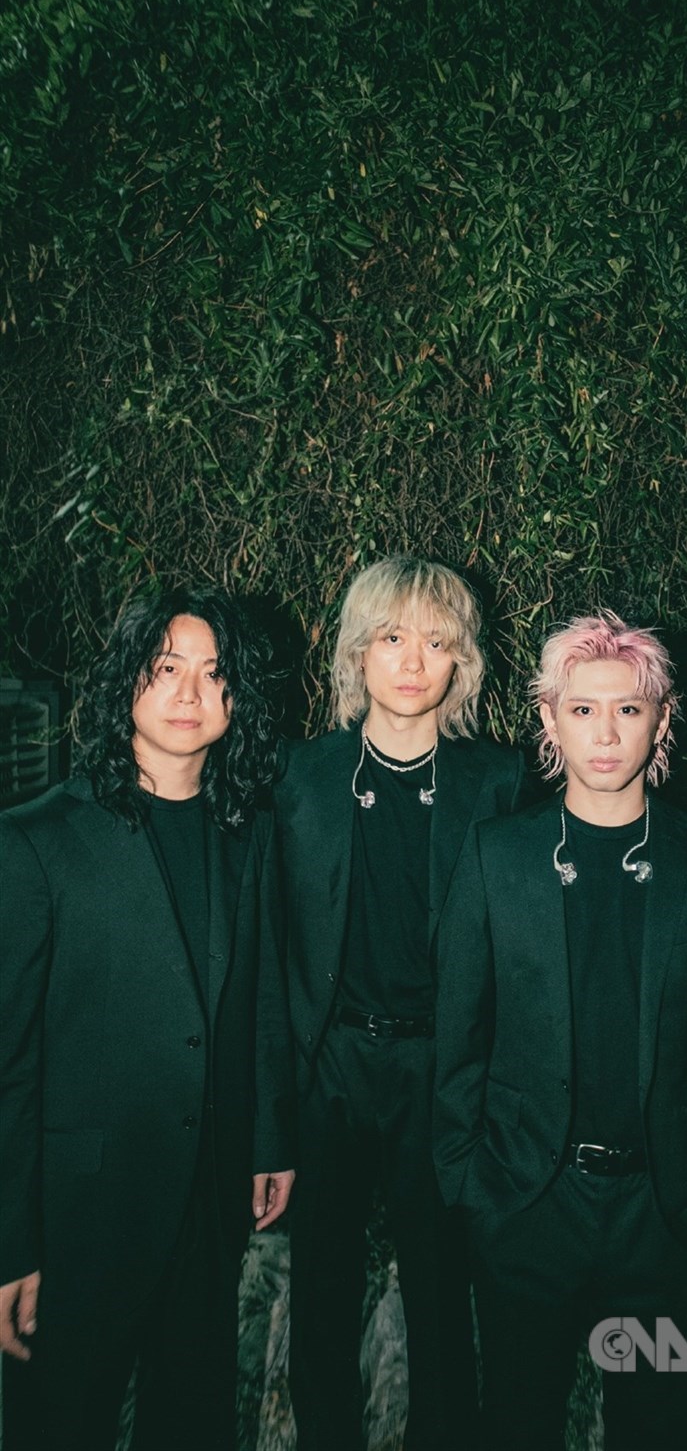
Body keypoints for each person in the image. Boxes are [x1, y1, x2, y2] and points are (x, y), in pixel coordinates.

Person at [433, 612, 687, 1451]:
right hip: (527, 1202)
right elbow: (459, 1035)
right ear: (549, 720)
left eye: (628, 708)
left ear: (662, 718)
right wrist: (470, 1183)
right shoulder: (497, 855)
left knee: (657, 1429)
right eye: (583, 709)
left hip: (666, 1213)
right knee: (517, 1423)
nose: (607, 732)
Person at [0, 586, 295, 1451]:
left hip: (209, 1193)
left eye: (213, 672)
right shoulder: (36, 840)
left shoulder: (248, 833)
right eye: (166, 668)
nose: (189, 692)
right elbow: (9, 1062)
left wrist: (269, 1138)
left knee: (193, 1423)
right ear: (127, 679)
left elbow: (261, 1000)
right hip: (79, 1211)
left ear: (237, 697)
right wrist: (10, 1242)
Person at [277, 555, 524, 1451]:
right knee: (321, 1288)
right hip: (333, 1065)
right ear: (358, 652)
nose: (413, 660)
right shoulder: (302, 777)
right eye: (392, 637)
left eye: (436, 640)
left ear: (462, 660)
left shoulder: (497, 782)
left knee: (441, 1286)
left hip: (442, 1070)